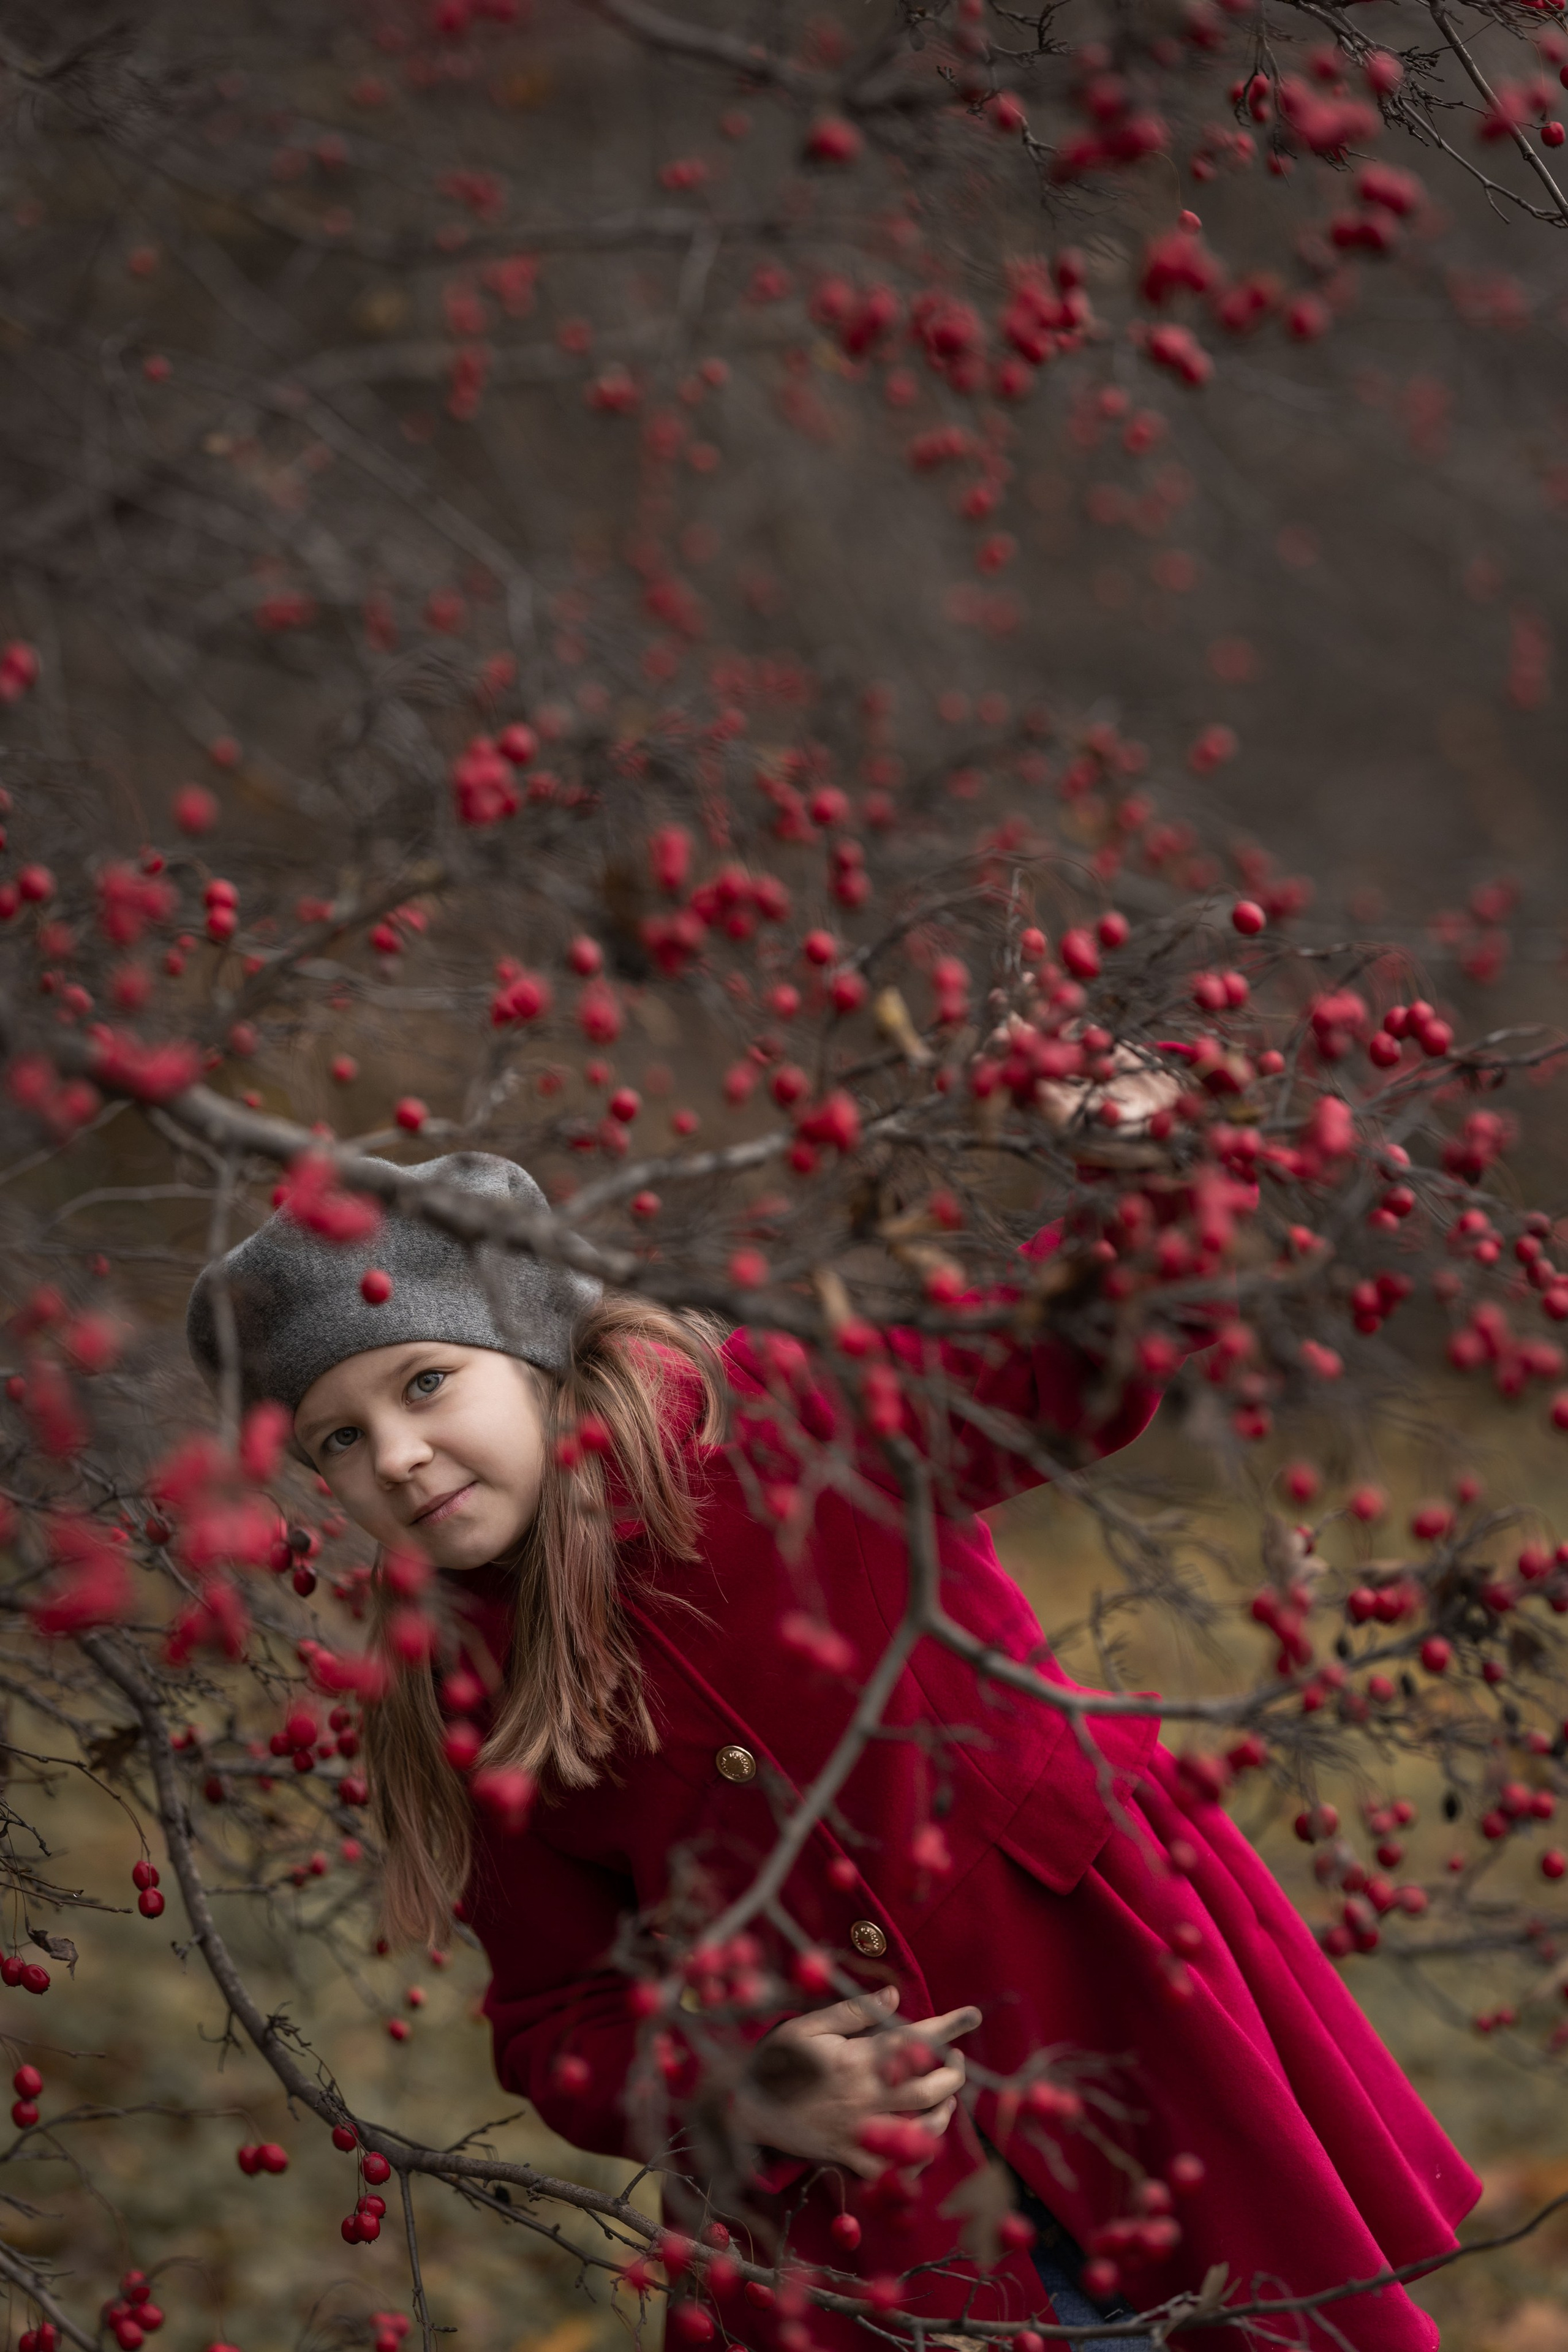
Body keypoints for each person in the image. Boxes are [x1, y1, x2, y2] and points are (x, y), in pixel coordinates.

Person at [188, 1152, 1479, 2352]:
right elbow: (554, 2015)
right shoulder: (458, 1690)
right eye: (337, 1443)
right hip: (867, 2219)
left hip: (1118, 2006)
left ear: (532, 1351)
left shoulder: (781, 1413)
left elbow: (1056, 1371)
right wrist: (733, 2084)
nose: (399, 1459)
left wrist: (1138, 1167)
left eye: (424, 1384)